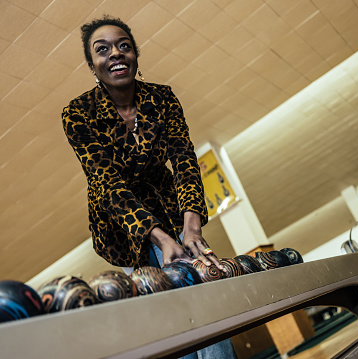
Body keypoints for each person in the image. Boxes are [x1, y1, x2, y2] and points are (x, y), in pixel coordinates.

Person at [62, 15, 237, 359]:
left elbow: (184, 160)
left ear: (135, 56)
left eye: (124, 46)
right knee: (167, 314)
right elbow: (107, 183)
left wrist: (191, 227)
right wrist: (159, 239)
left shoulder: (163, 98)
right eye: (103, 50)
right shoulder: (77, 113)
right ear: (92, 66)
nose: (115, 53)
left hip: (171, 209)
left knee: (201, 293)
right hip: (122, 229)